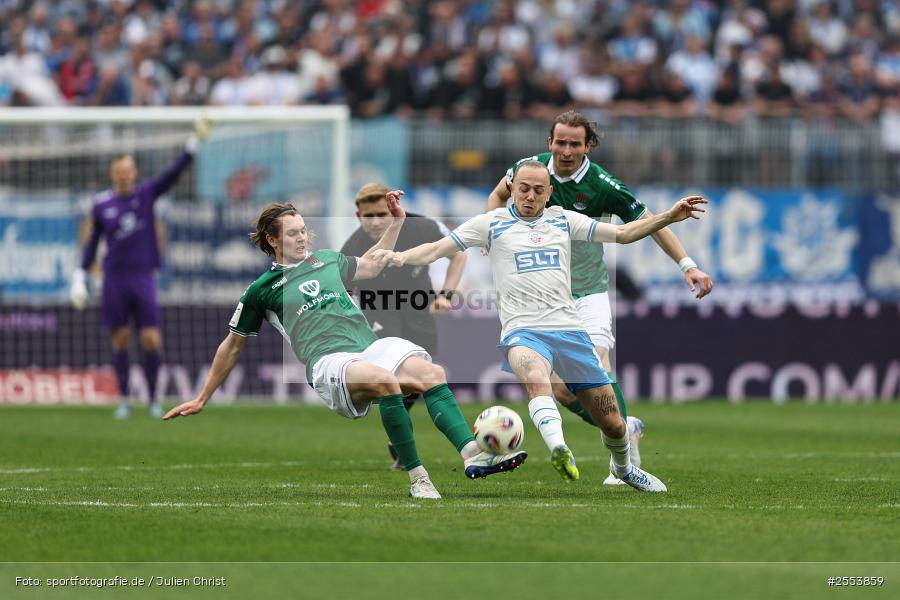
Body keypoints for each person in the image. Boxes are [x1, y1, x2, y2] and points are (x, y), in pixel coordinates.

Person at [376, 161, 708, 492]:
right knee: (536, 377)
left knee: (613, 422)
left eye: (538, 190)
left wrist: (668, 215)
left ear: (549, 193)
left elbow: (622, 234)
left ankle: (623, 469)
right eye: (524, 189)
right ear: (512, 189)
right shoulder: (491, 223)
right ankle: (559, 448)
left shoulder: (563, 220)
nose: (530, 196)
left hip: (570, 332)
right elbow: (437, 249)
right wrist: (400, 257)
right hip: (523, 332)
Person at [162, 198, 526, 499]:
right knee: (387, 382)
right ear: (273, 240)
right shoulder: (261, 289)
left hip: (368, 347)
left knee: (433, 374)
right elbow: (232, 345)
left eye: (303, 230)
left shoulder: (328, 261)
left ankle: (472, 455)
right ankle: (418, 478)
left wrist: (395, 224)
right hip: (329, 363)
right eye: (292, 234)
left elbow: (372, 262)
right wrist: (202, 397)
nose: (302, 238)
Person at [486, 110, 714, 485]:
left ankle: (626, 463)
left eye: (575, 143)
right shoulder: (530, 171)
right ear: (549, 142)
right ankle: (626, 427)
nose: (566, 150)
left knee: (598, 369)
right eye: (560, 142)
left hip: (587, 292)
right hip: (542, 299)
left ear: (587, 145)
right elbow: (497, 194)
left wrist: (687, 264)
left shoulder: (602, 185)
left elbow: (646, 222)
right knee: (560, 390)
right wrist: (496, 226)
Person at [69, 118, 212, 419]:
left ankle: (152, 400)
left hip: (143, 277)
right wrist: (81, 275)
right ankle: (124, 400)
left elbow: (173, 175)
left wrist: (193, 144)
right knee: (120, 339)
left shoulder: (146, 193)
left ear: (134, 172)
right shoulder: (101, 205)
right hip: (114, 280)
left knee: (151, 339)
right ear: (113, 174)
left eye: (128, 170)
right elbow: (93, 243)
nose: (123, 175)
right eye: (118, 171)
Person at [341, 183, 468, 470]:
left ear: (394, 210)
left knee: (420, 380)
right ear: (358, 215)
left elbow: (458, 254)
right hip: (379, 313)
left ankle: (397, 441)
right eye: (368, 216)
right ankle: (403, 445)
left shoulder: (422, 227)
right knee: (392, 376)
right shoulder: (353, 247)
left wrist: (446, 294)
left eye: (381, 214)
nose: (375, 222)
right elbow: (343, 291)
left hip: (419, 310)